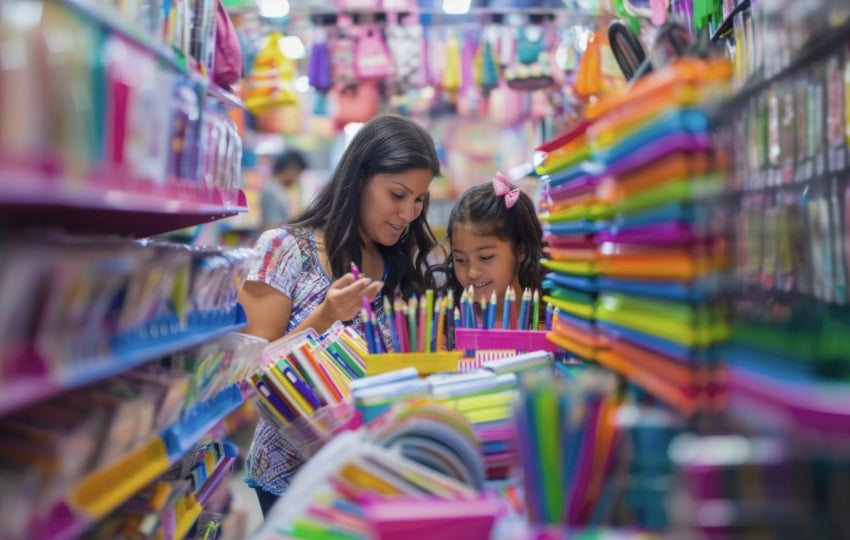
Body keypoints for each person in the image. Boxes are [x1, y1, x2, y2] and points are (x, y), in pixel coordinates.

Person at [238, 114, 441, 515]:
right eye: (397, 195)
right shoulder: (284, 248)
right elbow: (247, 374)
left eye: (419, 199)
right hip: (291, 478)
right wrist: (325, 316)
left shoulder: (399, 263)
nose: (409, 213)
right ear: (359, 178)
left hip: (373, 473)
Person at [441, 172, 545, 327]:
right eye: (460, 260)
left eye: (485, 257)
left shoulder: (549, 325)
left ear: (520, 251)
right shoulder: (448, 326)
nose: (472, 272)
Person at [260, 149, 309, 227]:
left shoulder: (278, 190)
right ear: (291, 168)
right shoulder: (271, 191)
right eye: (298, 173)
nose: (296, 179)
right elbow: (270, 225)